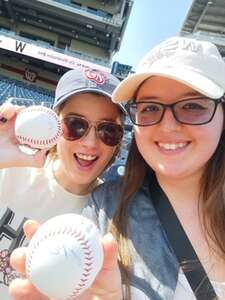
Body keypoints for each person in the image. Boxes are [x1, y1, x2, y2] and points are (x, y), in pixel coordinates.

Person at [8, 36, 225, 300]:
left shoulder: (98, 208)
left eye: (192, 106)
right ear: (55, 125)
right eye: (151, 107)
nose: (168, 126)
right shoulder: (103, 211)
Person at [0, 68, 125, 299]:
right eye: (75, 125)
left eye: (108, 130)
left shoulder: (110, 222)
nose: (89, 142)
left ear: (118, 143)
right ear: (54, 126)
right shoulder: (9, 168)